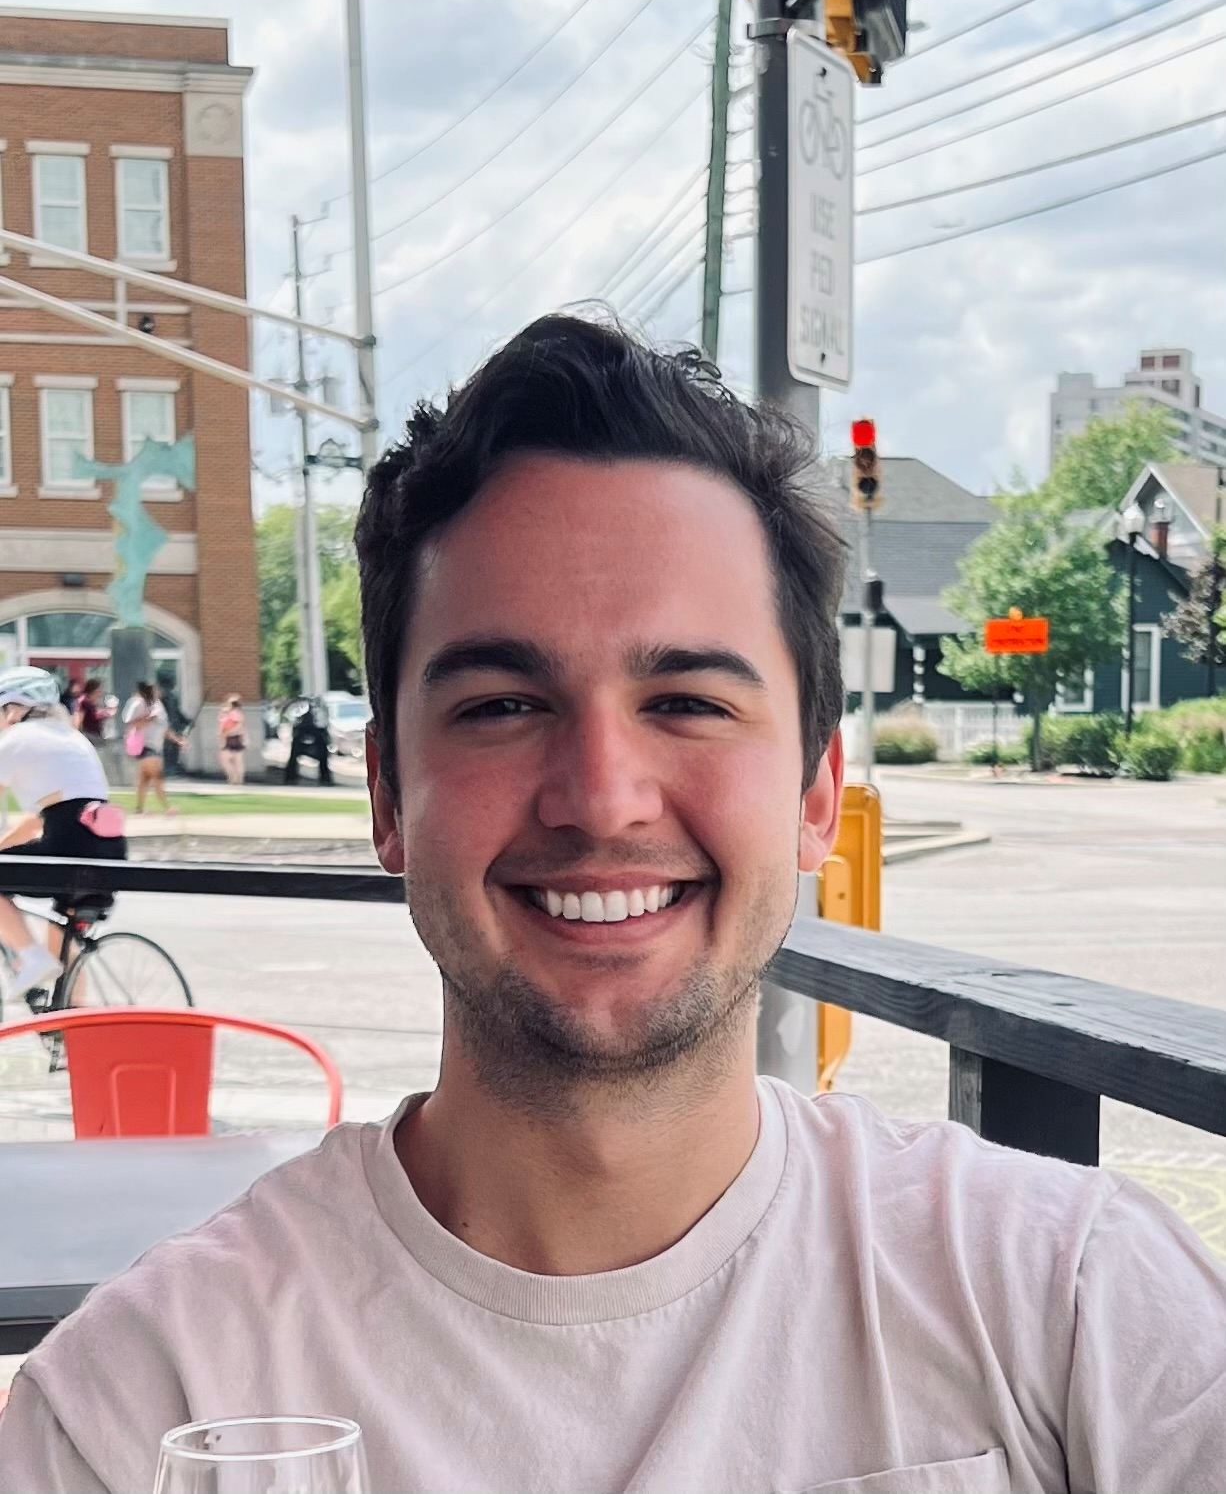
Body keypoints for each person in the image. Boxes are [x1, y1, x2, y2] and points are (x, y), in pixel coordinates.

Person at [1, 315, 1223, 1494]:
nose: (600, 797)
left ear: (813, 796)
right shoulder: (133, 1408)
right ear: (386, 796)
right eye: (500, 706)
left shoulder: (1076, 1305)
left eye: (687, 702)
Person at [0, 666, 126, 999]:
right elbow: (35, 822)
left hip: (70, 848)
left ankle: (30, 956)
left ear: (14, 708)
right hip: (109, 850)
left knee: (46, 954)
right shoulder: (71, 737)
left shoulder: (17, 739)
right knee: (62, 940)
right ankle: (73, 1019)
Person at [121, 680, 185, 815]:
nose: (158, 691)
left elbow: (164, 729)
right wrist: (149, 719)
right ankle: (168, 807)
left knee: (144, 779)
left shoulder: (158, 706)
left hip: (156, 747)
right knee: (157, 777)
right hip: (146, 746)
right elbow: (130, 723)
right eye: (155, 689)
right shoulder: (140, 704)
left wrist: (178, 740)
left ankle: (139, 808)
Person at [217, 694, 247, 785]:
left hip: (232, 738)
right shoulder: (233, 714)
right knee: (236, 760)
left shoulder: (235, 714)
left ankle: (234, 777)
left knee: (228, 759)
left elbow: (238, 726)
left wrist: (226, 733)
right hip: (233, 738)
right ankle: (237, 779)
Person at [72, 677, 108, 747]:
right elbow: (79, 719)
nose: (101, 692)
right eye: (99, 689)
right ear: (93, 690)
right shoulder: (84, 702)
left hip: (96, 736)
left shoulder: (92, 702)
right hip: (89, 737)